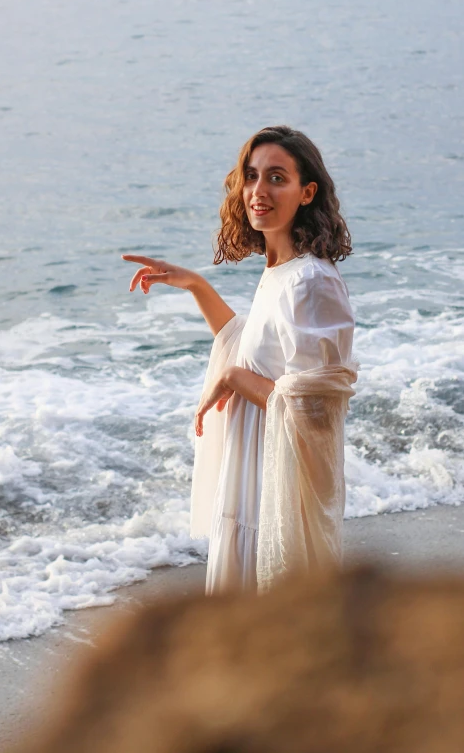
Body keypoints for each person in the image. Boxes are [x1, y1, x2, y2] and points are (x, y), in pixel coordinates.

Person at [123, 125, 356, 595]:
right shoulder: (281, 271)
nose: (258, 191)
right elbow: (251, 347)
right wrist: (196, 285)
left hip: (273, 494)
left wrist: (233, 378)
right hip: (252, 479)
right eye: (251, 176)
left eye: (276, 177)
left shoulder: (311, 281)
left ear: (306, 192)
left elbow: (315, 412)